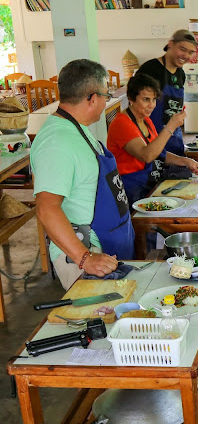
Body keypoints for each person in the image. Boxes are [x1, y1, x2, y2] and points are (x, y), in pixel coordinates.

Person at [31, 59, 135, 290]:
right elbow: (47, 208)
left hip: (105, 246)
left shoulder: (76, 130)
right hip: (85, 253)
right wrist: (85, 257)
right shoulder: (57, 143)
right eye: (105, 96)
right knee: (100, 321)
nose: (106, 102)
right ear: (92, 98)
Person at [106, 73, 198, 206]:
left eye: (153, 99)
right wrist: (171, 126)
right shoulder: (121, 124)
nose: (151, 105)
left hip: (149, 184)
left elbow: (159, 153)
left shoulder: (146, 121)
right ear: (131, 99)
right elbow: (147, 155)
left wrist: (185, 161)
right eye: (146, 99)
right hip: (130, 191)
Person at [136, 29, 197, 156]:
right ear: (170, 44)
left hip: (175, 138)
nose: (186, 55)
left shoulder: (181, 74)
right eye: (183, 49)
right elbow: (136, 107)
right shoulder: (150, 69)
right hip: (152, 140)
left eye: (191, 52)